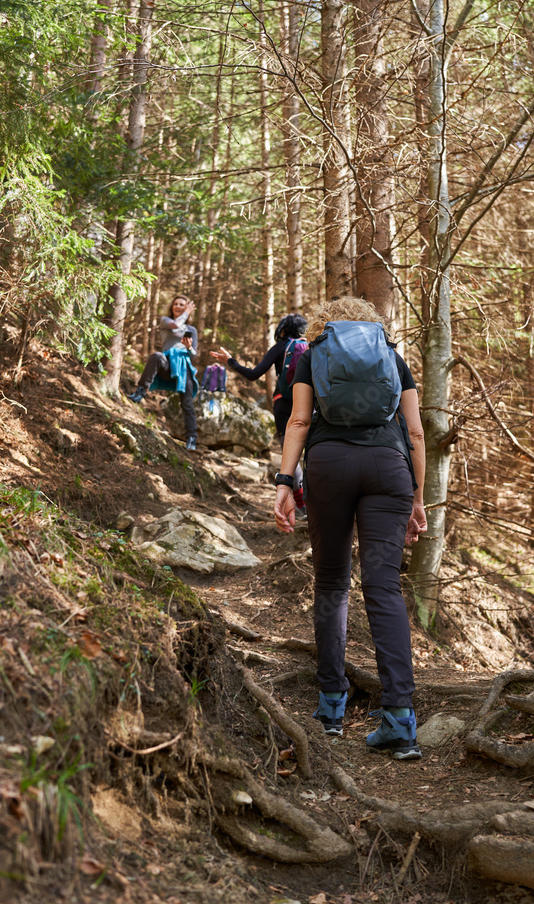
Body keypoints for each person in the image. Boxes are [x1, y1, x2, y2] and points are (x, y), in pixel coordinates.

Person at [274, 297, 427, 760]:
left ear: (326, 326)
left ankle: (331, 705)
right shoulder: (392, 357)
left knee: (331, 582)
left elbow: (299, 420)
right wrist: (417, 498)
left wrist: (285, 482)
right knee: (383, 586)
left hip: (329, 467)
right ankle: (399, 717)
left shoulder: (313, 355)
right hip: (389, 470)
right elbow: (415, 433)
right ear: (372, 326)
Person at [211, 313, 308, 516]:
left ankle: (301, 505)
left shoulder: (281, 347)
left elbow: (253, 374)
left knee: (290, 452)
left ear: (283, 330)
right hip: (308, 403)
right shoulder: (312, 347)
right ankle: (316, 500)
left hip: (283, 404)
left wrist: (230, 360)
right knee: (313, 451)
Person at [128, 294, 199, 451]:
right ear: (172, 306)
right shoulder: (166, 321)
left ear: (186, 307)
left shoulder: (191, 330)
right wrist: (186, 312)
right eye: (176, 304)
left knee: (187, 403)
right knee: (156, 356)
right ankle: (140, 392)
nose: (178, 306)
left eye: (182, 304)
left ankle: (192, 438)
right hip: (167, 363)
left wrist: (188, 347)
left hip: (184, 367)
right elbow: (175, 325)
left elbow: (194, 355)